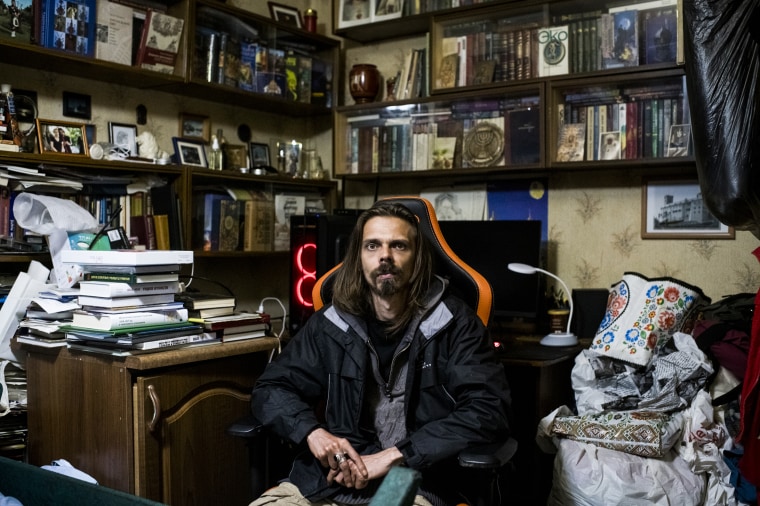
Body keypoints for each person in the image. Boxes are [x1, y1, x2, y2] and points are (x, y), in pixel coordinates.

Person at [249, 200, 511, 506]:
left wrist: (395, 456)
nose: (385, 256)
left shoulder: (455, 323)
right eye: (372, 246)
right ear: (358, 258)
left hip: (413, 476)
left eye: (398, 246)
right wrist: (314, 433)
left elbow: (488, 410)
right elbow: (271, 389)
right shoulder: (331, 323)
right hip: (331, 477)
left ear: (418, 259)